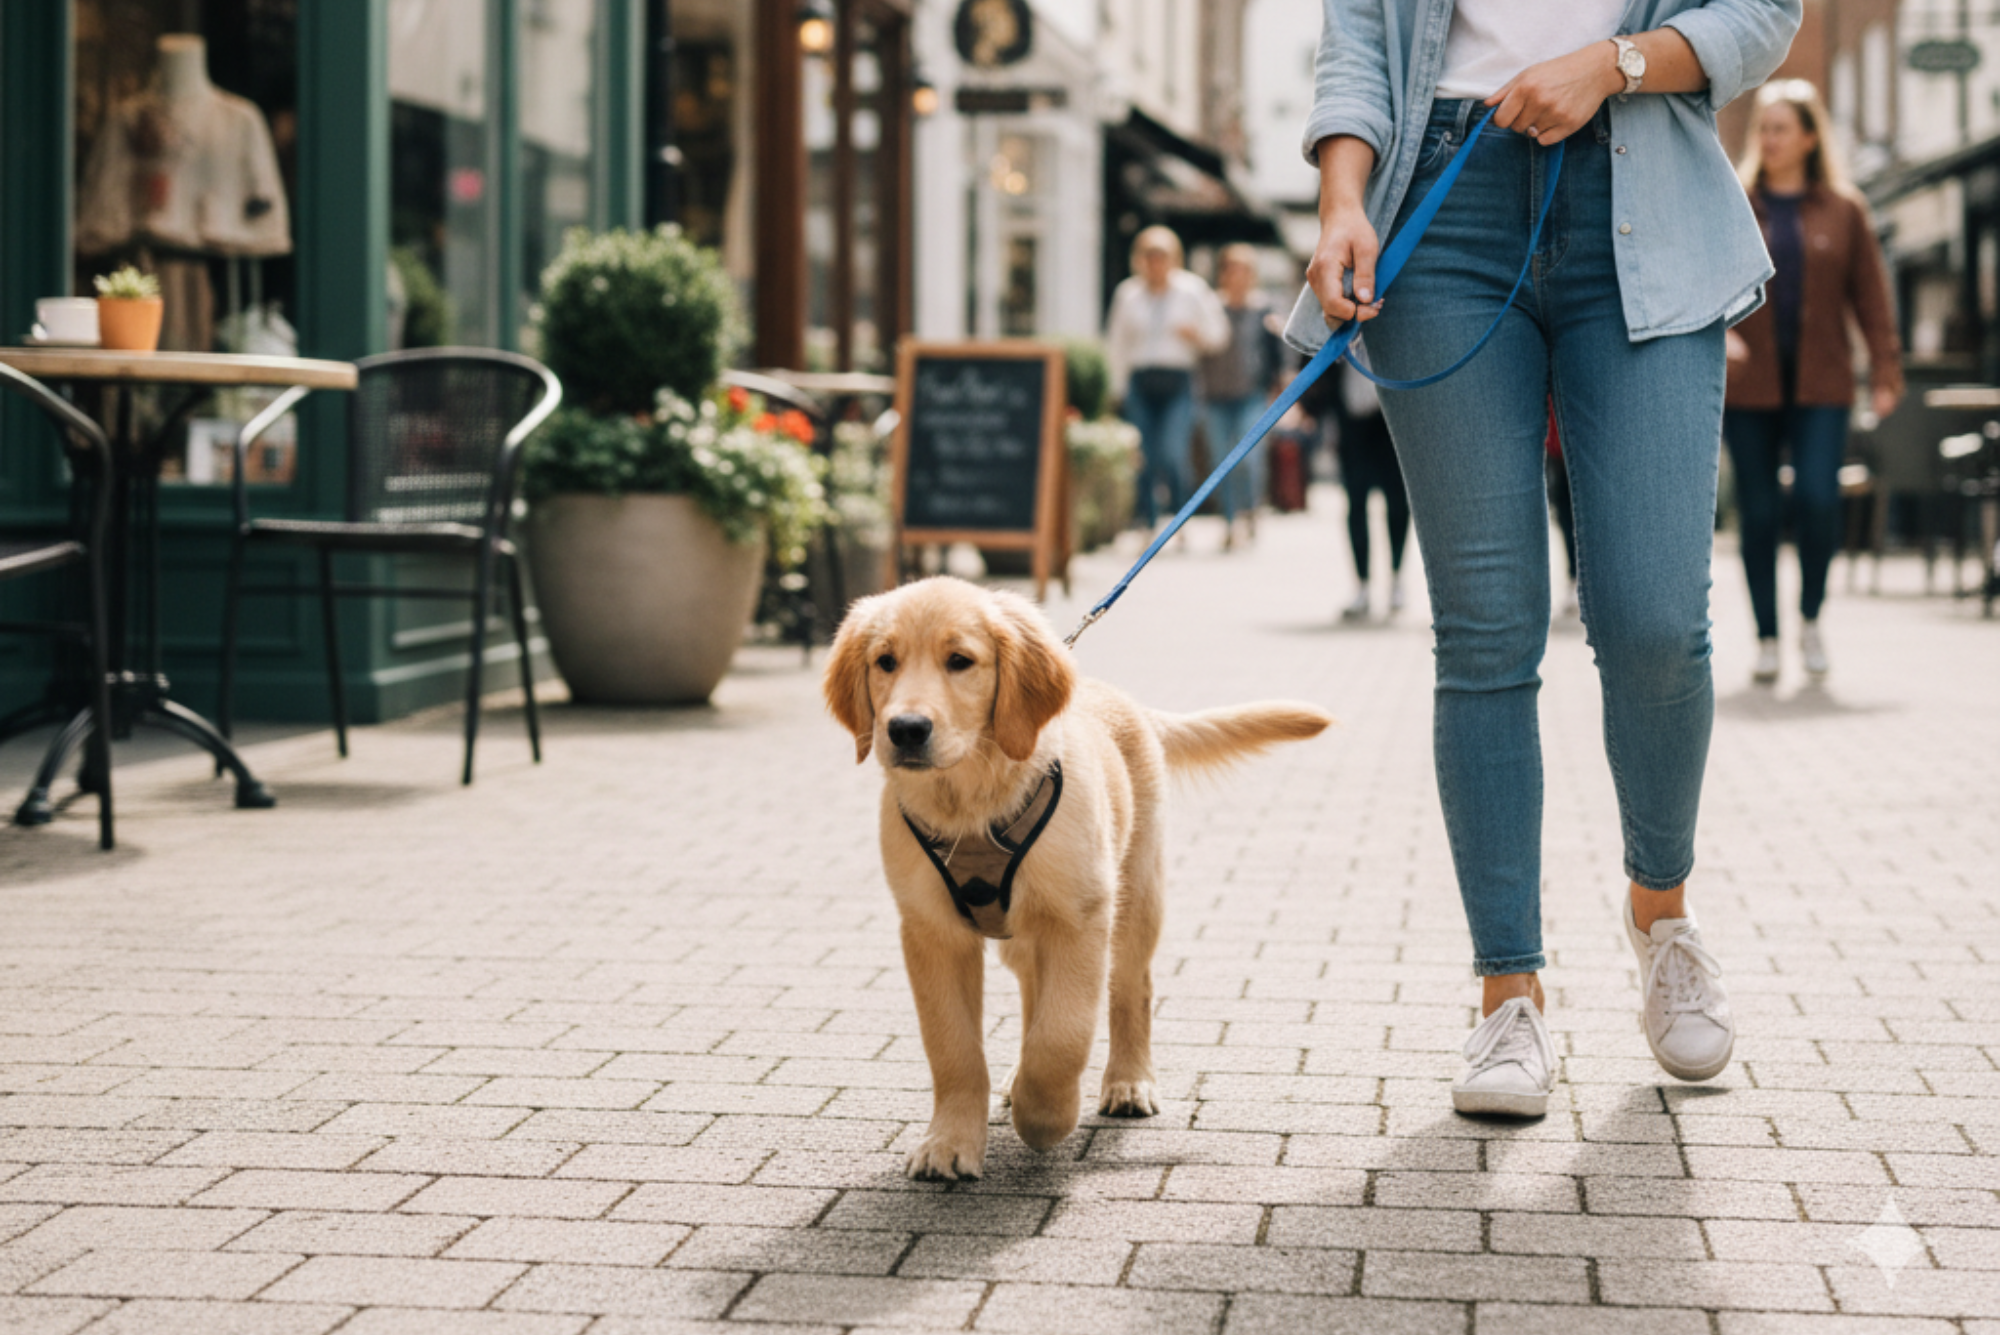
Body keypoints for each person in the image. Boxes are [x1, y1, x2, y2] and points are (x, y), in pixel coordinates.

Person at [1293, 0, 1800, 1116]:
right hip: (1441, 199)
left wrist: (1614, 65)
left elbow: (1764, 14)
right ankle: (1505, 992)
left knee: (1653, 618)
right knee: (1484, 625)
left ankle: (1659, 912)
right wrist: (1341, 198)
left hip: (1644, 187)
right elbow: (1358, 40)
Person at [1723, 79, 1901, 684]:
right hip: (1750, 386)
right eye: (1762, 129)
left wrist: (1885, 367)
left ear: (1807, 137)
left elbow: (1871, 299)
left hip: (1823, 384)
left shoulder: (1845, 208)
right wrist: (1720, 330)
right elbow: (1709, 278)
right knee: (1761, 512)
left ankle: (1811, 619)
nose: (1768, 139)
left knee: (1819, 499)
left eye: (1780, 128)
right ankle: (1768, 638)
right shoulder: (1737, 201)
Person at [1107, 227, 1230, 534]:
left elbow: (1219, 335)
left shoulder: (1191, 290)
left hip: (1178, 381)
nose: (1155, 263)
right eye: (1149, 256)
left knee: (1173, 453)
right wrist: (1116, 389)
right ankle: (1147, 522)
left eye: (1161, 256)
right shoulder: (1129, 293)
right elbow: (1117, 343)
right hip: (1141, 381)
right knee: (1144, 456)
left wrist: (1196, 336)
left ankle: (1178, 518)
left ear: (1173, 258)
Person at [1199, 245, 1286, 550]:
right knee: (1220, 461)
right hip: (1214, 395)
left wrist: (1281, 393)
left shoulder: (1264, 310)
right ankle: (1228, 521)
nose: (1237, 276)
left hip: (1252, 395)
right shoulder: (1209, 307)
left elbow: (1277, 356)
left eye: (1244, 270)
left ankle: (1250, 511)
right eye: (1231, 269)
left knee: (1249, 461)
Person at [1331, 363, 1411, 618]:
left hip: (1392, 419)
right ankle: (1362, 585)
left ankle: (1397, 578)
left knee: (1397, 502)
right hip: (1351, 418)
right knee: (1355, 501)